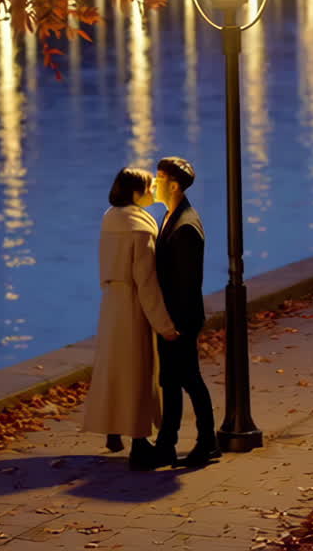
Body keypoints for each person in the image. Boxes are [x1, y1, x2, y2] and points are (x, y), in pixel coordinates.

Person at [83, 167, 181, 469]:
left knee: (113, 366)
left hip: (112, 300)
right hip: (134, 305)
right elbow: (146, 281)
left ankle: (113, 431)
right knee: (139, 371)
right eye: (149, 186)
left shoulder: (110, 218)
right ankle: (140, 443)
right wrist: (165, 325)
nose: (154, 190)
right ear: (136, 192)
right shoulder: (139, 227)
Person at [151, 157, 220, 468]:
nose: (154, 183)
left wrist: (174, 323)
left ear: (174, 185)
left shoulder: (185, 226)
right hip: (172, 317)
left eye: (159, 177)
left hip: (180, 318)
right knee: (171, 380)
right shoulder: (172, 217)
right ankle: (168, 441)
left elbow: (187, 282)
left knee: (189, 378)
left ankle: (207, 442)